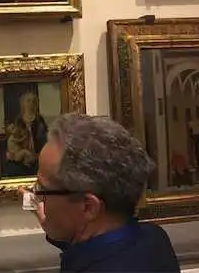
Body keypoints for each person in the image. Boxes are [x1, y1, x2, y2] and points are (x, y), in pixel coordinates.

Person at [21, 113, 180, 273]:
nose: (37, 197)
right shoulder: (154, 238)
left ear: (88, 207)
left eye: (42, 189)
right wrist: (56, 227)